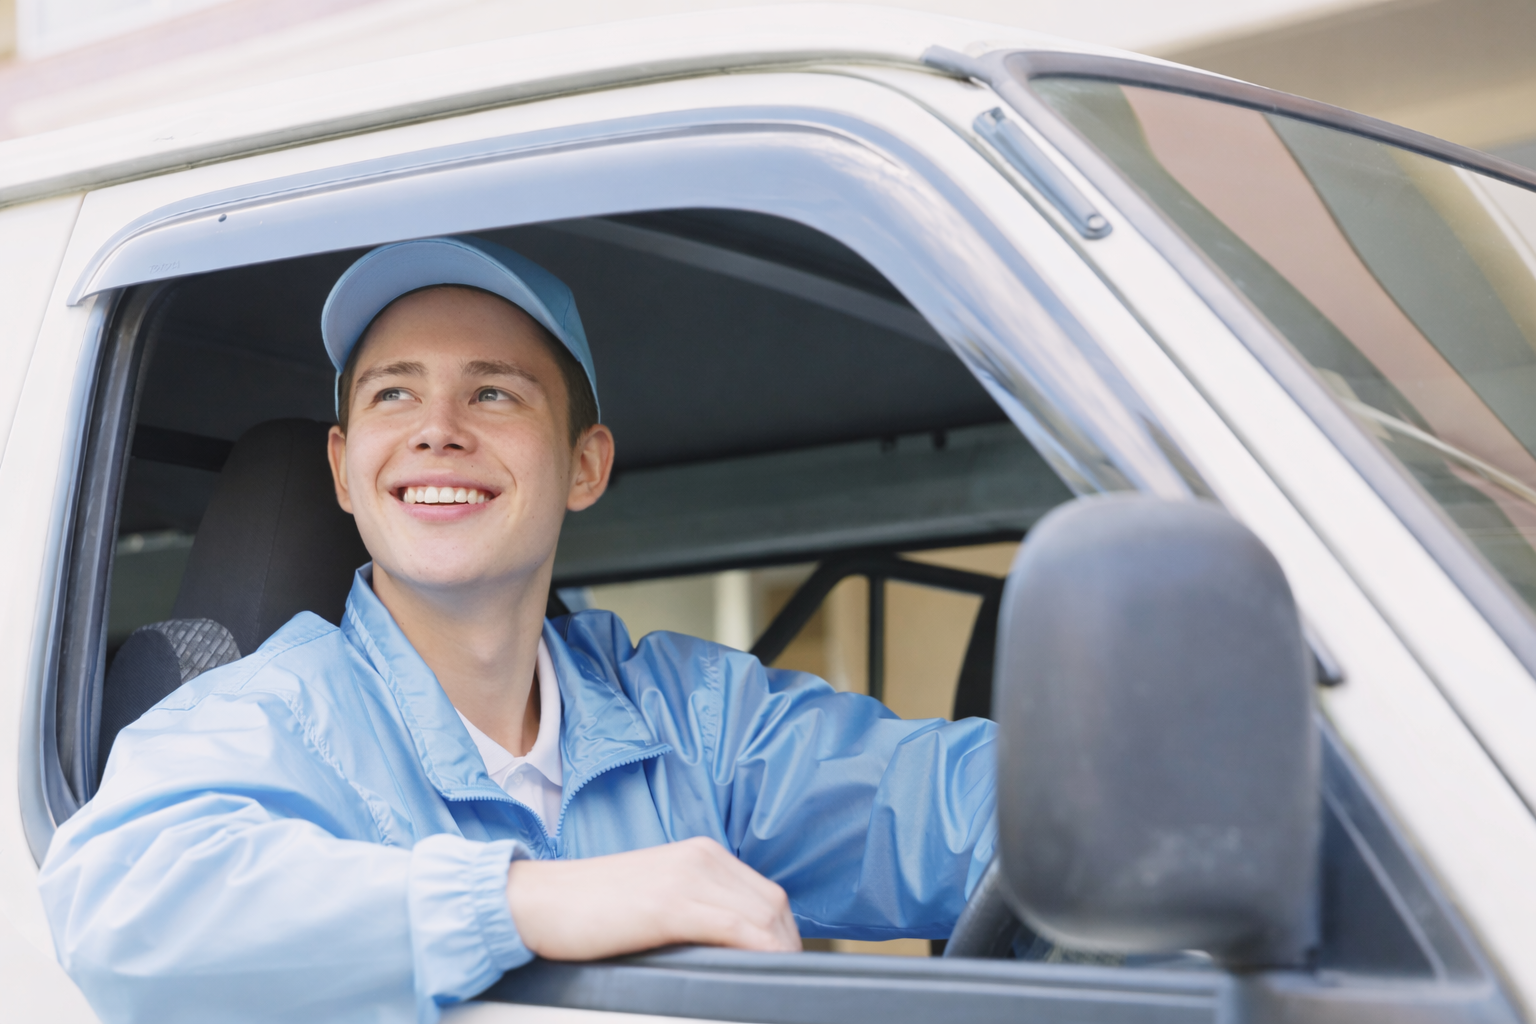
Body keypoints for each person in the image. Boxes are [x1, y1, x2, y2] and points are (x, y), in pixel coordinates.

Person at [39, 237, 999, 1024]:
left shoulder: (690, 718)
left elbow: (962, 810)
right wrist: (526, 902)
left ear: (586, 466)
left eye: (493, 392)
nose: (438, 428)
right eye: (392, 394)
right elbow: (122, 909)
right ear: (344, 470)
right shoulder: (266, 718)